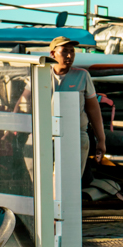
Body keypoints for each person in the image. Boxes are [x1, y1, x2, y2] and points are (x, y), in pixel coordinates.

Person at [49, 36, 106, 174]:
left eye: (72, 51)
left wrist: (101, 140)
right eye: (64, 51)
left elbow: (93, 109)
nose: (69, 55)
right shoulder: (40, 73)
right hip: (45, 133)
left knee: (71, 179)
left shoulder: (82, 76)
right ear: (52, 54)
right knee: (43, 179)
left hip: (75, 134)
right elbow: (24, 102)